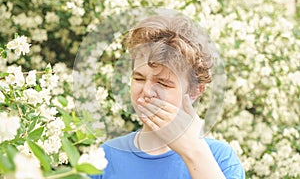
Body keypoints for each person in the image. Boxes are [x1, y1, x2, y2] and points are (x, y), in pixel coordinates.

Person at [90, 14, 245, 179]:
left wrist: (194, 152)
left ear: (194, 91)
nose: (147, 91)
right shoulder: (106, 156)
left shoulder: (220, 158)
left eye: (163, 83)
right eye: (139, 78)